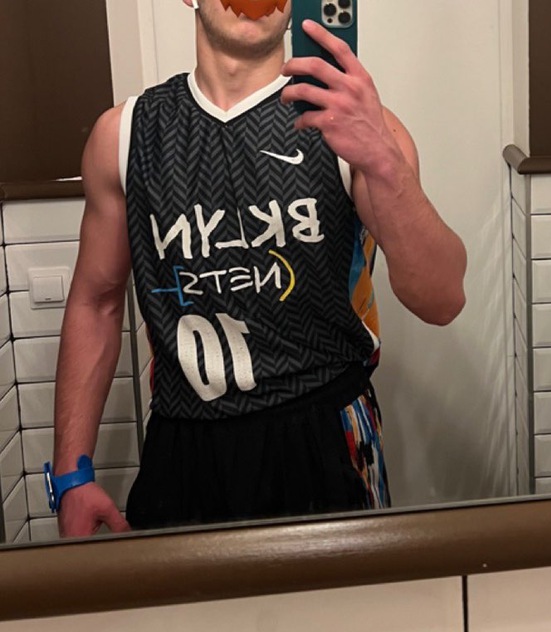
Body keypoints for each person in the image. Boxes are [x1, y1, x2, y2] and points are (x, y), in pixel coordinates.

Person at [50, 0, 467, 538]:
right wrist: (71, 475)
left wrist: (383, 159)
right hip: (184, 438)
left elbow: (442, 298)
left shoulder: (354, 126)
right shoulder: (126, 135)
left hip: (327, 429)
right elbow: (96, 303)